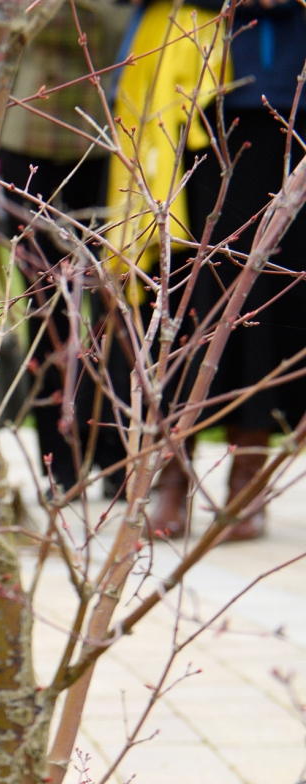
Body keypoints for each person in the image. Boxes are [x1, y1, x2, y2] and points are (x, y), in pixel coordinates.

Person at [144, 0, 306, 539]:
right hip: (196, 103)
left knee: (275, 300)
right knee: (191, 298)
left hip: (296, 106)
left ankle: (247, 478)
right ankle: (171, 478)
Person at [0, 0, 134, 491]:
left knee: (114, 305)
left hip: (107, 137)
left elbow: (112, 29)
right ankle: (61, 464)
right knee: (45, 308)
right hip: (26, 138)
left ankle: (117, 457)